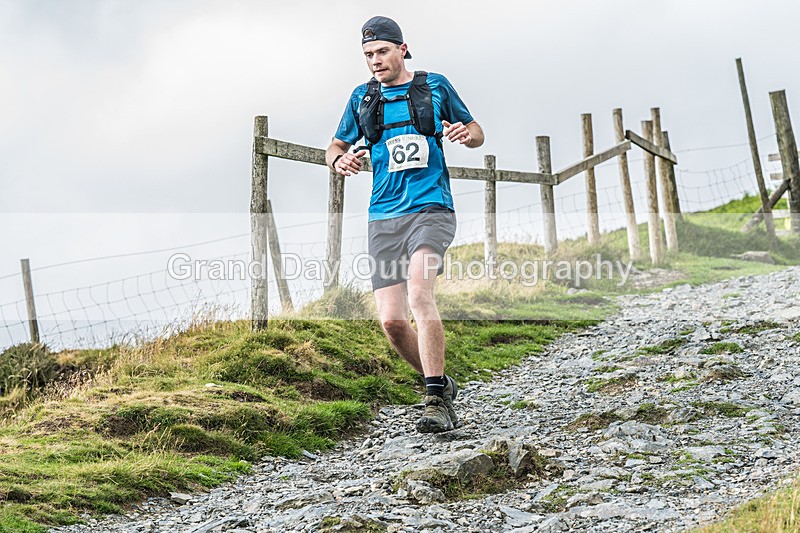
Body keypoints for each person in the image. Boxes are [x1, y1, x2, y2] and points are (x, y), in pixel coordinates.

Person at [325, 16, 484, 433]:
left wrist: (467, 135)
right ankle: (441, 384)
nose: (375, 61)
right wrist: (339, 160)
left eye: (381, 52)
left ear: (402, 49)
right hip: (384, 217)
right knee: (392, 323)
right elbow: (335, 146)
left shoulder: (435, 86)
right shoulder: (362, 98)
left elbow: (477, 129)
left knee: (420, 292)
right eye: (368, 55)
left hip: (432, 209)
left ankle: (434, 399)